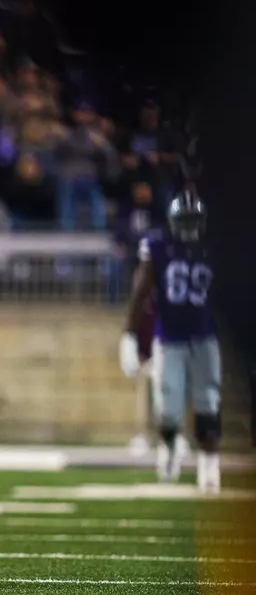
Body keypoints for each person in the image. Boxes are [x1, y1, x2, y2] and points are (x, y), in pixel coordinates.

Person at [119, 189, 219, 491]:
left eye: (194, 220)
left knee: (208, 403)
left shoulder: (214, 248)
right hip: (170, 337)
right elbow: (140, 291)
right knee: (169, 407)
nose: (189, 227)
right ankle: (170, 447)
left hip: (205, 336)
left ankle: (209, 465)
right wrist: (130, 334)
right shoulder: (159, 247)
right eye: (184, 220)